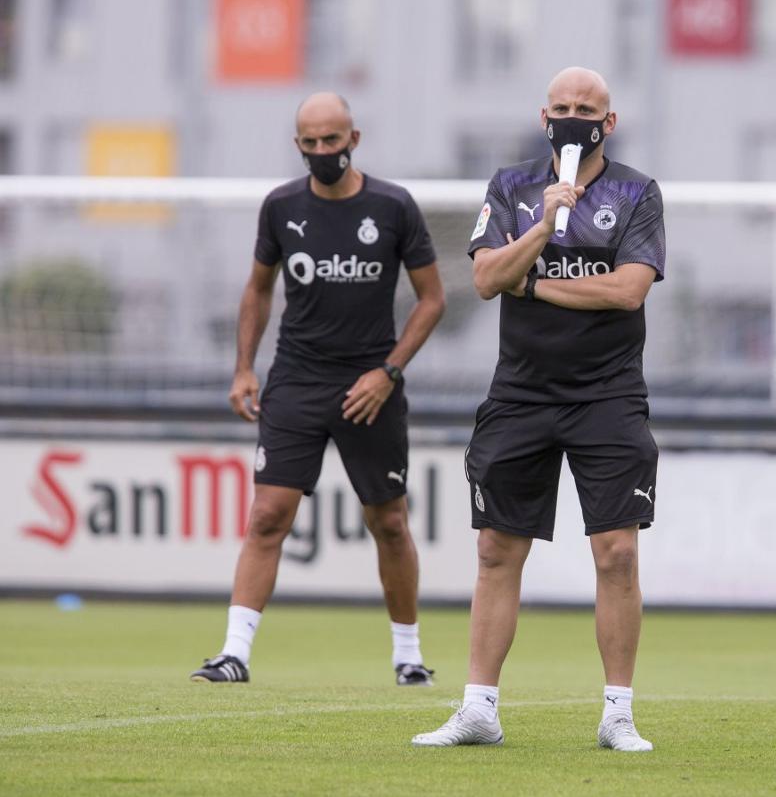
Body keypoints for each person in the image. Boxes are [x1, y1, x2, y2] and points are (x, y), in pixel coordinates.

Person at [412, 67, 664, 751]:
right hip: (521, 394)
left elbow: (627, 291)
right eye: (561, 107)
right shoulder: (512, 187)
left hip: (607, 394)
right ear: (543, 116)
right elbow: (486, 278)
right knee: (497, 549)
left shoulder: (637, 192)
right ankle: (479, 709)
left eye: (586, 108)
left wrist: (535, 284)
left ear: (608, 122)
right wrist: (544, 227)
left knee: (615, 553)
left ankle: (617, 713)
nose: (572, 116)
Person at [190, 92, 446, 686]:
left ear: (354, 139)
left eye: (333, 141)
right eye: (312, 143)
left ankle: (408, 657)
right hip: (298, 381)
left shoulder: (393, 206)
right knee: (267, 517)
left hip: (370, 388)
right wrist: (244, 367)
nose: (323, 152)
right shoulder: (280, 207)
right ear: (298, 145)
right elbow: (257, 289)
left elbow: (433, 299)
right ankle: (234, 654)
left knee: (388, 522)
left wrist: (388, 373)